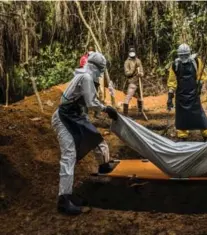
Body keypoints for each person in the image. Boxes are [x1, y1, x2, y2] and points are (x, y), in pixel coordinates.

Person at [51, 52, 118, 215]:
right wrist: (106, 109)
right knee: (69, 155)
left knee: (94, 136)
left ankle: (103, 165)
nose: (101, 74)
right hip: (64, 117)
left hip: (75, 115)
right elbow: (91, 102)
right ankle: (64, 200)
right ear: (97, 68)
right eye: (101, 70)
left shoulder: (84, 75)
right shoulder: (87, 77)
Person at [167, 43, 207, 142]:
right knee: (182, 117)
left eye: (185, 55)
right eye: (182, 56)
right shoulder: (175, 65)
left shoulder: (196, 62)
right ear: (178, 55)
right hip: (181, 96)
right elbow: (172, 82)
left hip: (193, 94)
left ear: (189, 54)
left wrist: (200, 85)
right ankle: (183, 136)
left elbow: (202, 75)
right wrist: (170, 97)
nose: (184, 58)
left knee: (199, 115)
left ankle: (206, 135)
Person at [123, 47, 144, 116]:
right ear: (129, 53)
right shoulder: (127, 62)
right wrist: (132, 70)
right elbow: (127, 73)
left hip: (139, 81)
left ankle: (140, 112)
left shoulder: (138, 60)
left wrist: (140, 73)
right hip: (132, 81)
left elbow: (142, 71)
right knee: (128, 97)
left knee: (140, 97)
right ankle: (125, 114)